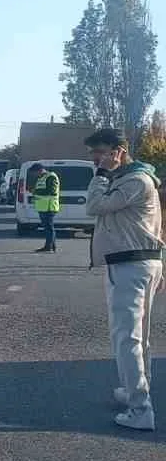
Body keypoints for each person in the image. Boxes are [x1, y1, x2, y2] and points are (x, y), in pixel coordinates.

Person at [85, 127, 161, 431]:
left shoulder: (134, 181)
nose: (95, 158)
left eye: (101, 152)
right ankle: (134, 392)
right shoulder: (137, 179)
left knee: (126, 338)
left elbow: (94, 206)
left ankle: (140, 408)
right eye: (93, 153)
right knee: (138, 337)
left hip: (130, 266)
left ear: (119, 152)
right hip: (141, 263)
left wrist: (100, 175)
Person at [27, 163, 61, 253]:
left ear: (40, 170)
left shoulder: (51, 177)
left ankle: (48, 247)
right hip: (43, 207)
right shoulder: (41, 178)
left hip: (49, 206)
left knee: (49, 227)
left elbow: (52, 191)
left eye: (35, 172)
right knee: (47, 228)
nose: (34, 175)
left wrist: (36, 191)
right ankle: (52, 246)